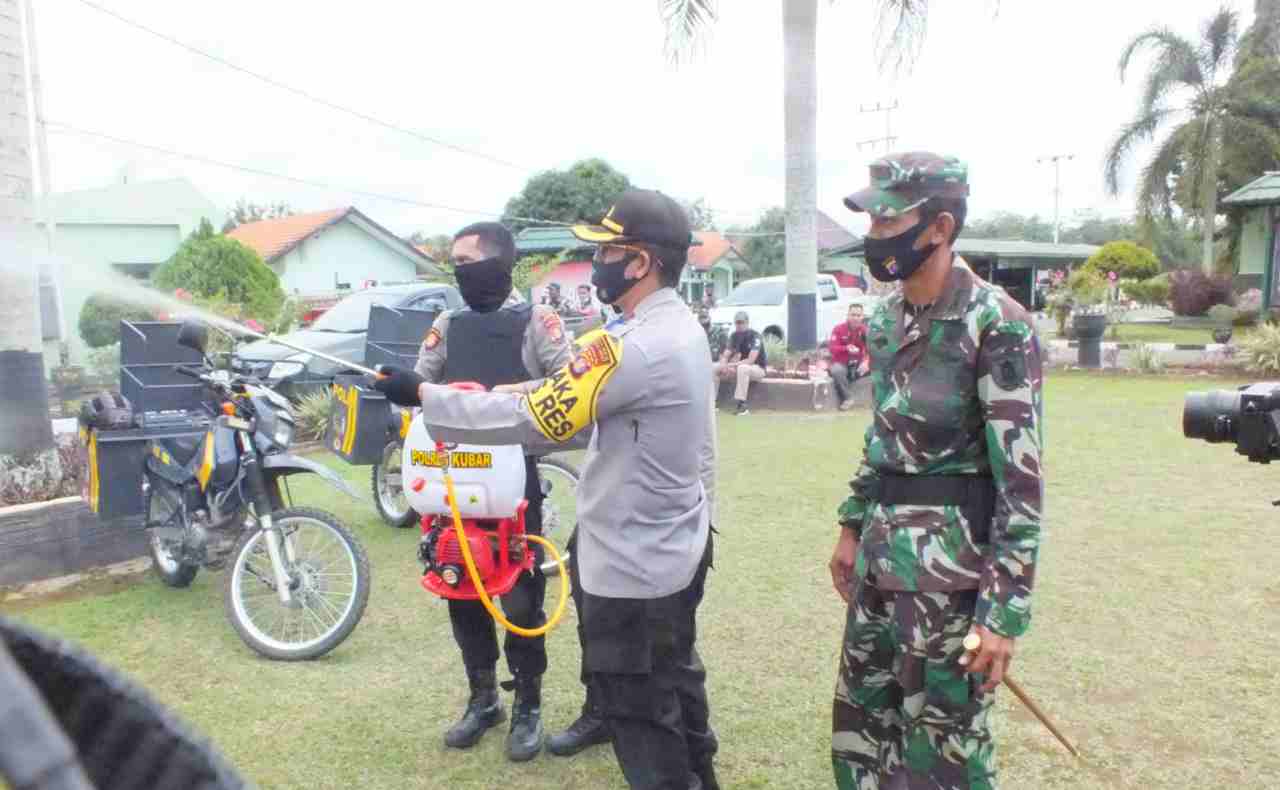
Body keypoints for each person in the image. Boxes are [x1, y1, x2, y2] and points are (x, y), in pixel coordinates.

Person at [374, 188, 720, 790]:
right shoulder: (674, 329)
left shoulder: (631, 346)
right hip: (668, 541)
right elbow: (554, 398)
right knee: (675, 685)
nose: (596, 263)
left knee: (642, 711)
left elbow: (538, 414)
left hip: (636, 561)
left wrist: (430, 398)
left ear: (640, 261)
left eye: (607, 251)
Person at [827, 152, 1045, 789]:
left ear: (940, 228)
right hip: (878, 566)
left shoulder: (997, 323)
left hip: (948, 587)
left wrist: (1001, 615)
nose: (874, 238)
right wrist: (850, 526)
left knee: (944, 755)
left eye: (887, 222)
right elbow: (883, 437)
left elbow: (1022, 483)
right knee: (862, 741)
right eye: (870, 224)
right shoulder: (889, 320)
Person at [410, 221, 578, 762]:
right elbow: (420, 383)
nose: (459, 271)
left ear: (498, 266)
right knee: (458, 583)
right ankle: (483, 697)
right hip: (454, 481)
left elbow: (569, 385)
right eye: (454, 262)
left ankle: (528, 701)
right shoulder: (447, 322)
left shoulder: (537, 321)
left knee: (521, 596)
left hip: (514, 483)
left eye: (467, 261)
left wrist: (502, 395)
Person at [712, 311, 766, 416]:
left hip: (758, 369)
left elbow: (751, 360)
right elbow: (726, 354)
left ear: (747, 323)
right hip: (741, 367)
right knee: (715, 368)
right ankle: (712, 403)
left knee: (743, 368)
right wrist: (723, 364)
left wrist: (731, 365)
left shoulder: (755, 336)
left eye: (742, 322)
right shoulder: (734, 336)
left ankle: (742, 406)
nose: (739, 325)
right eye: (737, 323)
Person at [827, 303, 870, 411]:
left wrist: (866, 362)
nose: (855, 318)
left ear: (862, 317)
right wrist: (846, 348)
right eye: (853, 315)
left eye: (858, 315)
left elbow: (872, 350)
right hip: (842, 363)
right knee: (837, 371)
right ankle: (848, 398)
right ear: (848, 315)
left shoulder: (865, 331)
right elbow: (832, 348)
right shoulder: (838, 329)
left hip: (859, 364)